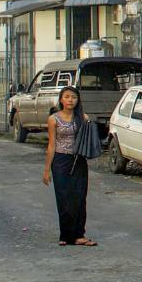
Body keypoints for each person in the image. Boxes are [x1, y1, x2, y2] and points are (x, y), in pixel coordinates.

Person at [42, 85, 95, 246]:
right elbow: (51, 145)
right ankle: (65, 236)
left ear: (78, 100)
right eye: (67, 97)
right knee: (64, 197)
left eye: (73, 97)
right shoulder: (53, 119)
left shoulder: (83, 118)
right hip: (60, 161)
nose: (70, 100)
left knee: (79, 197)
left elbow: (89, 139)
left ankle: (79, 235)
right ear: (61, 100)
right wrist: (47, 170)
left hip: (78, 160)